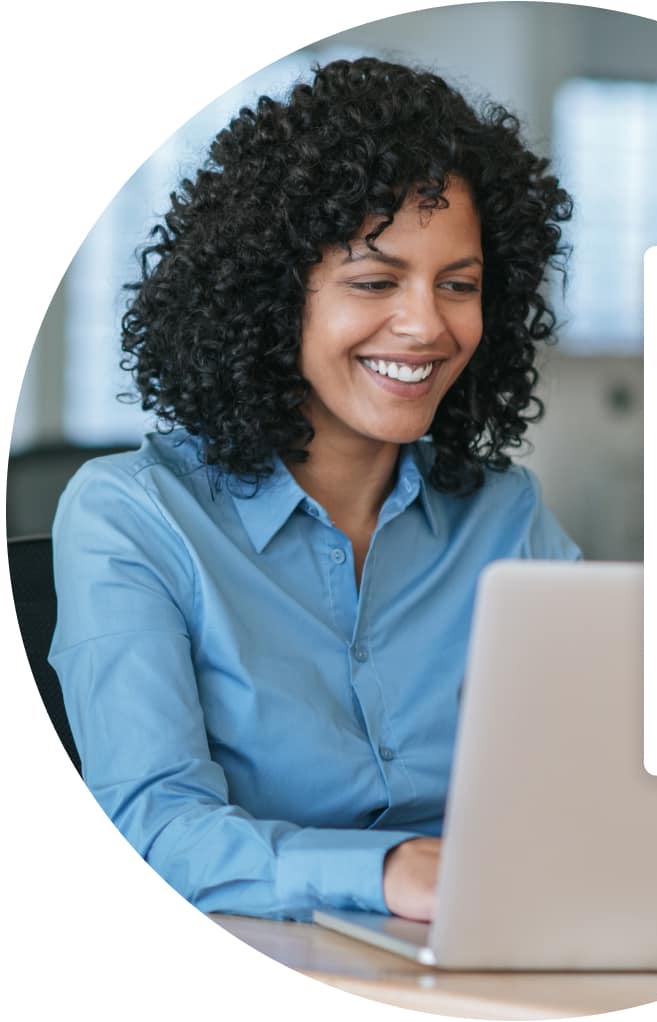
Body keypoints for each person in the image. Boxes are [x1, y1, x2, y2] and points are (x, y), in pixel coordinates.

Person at [48, 58, 579, 923]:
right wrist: (388, 870)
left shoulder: (506, 516)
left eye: (460, 284)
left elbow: (595, 783)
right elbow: (149, 827)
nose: (428, 325)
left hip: (488, 948)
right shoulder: (132, 515)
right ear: (271, 297)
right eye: (375, 281)